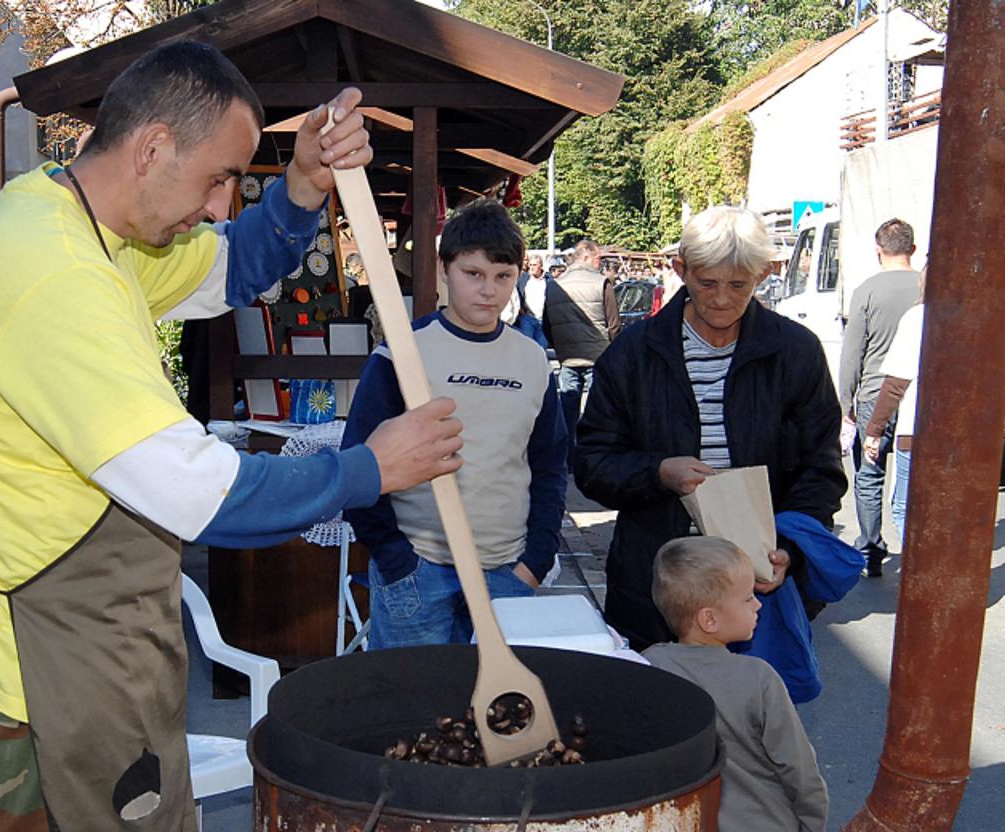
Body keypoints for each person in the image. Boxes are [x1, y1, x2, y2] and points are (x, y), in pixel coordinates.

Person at [0, 42, 463, 832]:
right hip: (49, 679)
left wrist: (303, 185)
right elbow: (198, 492)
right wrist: (371, 468)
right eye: (217, 178)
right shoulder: (51, 273)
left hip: (103, 653)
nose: (219, 205)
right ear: (151, 149)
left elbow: (227, 270)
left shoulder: (82, 221)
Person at [572, 206, 845, 649]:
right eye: (707, 282)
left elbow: (821, 470)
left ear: (762, 274)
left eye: (738, 284)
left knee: (752, 712)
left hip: (754, 587)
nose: (721, 298)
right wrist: (658, 473)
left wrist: (789, 551)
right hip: (656, 584)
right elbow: (591, 461)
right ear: (681, 270)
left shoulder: (796, 352)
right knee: (661, 712)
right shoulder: (634, 353)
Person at [342, 199, 567, 648]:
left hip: (507, 570)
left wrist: (536, 559)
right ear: (446, 269)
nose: (489, 291)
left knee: (498, 712)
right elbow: (358, 462)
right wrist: (394, 556)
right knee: (414, 708)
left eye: (503, 277)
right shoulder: (402, 354)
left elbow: (550, 466)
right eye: (474, 274)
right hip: (418, 569)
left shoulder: (533, 360)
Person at [644, 537, 829, 832]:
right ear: (709, 619)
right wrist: (813, 831)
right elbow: (797, 766)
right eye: (746, 599)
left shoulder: (649, 667)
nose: (758, 603)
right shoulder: (758, 679)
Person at [838, 219, 921, 578]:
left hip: (875, 394)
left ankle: (871, 548)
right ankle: (917, 547)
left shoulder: (867, 291)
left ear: (878, 250)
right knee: (912, 478)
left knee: (869, 476)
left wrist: (845, 406)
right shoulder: (927, 289)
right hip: (918, 398)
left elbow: (852, 354)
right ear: (912, 249)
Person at [863, 267, 927, 544]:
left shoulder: (918, 318)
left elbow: (895, 384)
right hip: (969, 436)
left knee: (905, 507)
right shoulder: (983, 315)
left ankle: (923, 571)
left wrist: (874, 431)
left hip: (916, 430)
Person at [543, 239, 621, 460]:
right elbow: (613, 323)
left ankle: (568, 458)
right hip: (599, 357)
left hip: (568, 358)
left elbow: (547, 324)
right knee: (601, 411)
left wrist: (560, 347)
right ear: (587, 256)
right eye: (599, 258)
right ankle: (598, 456)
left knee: (568, 411)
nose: (600, 263)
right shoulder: (601, 283)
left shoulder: (555, 285)